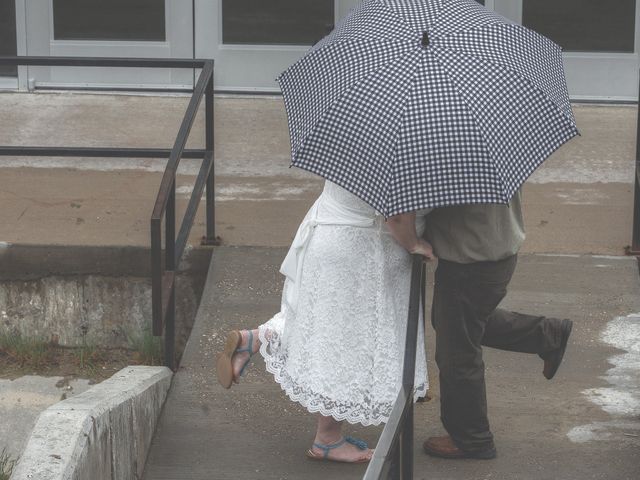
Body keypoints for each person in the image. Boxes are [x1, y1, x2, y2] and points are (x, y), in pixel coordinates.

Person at [216, 179, 434, 464]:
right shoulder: (409, 150)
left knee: (321, 328)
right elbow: (396, 216)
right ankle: (328, 440)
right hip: (361, 252)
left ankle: (257, 338)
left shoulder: (357, 135)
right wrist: (415, 243)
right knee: (345, 344)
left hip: (328, 233)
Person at [421, 191, 573, 460]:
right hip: (494, 249)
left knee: (457, 351)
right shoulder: (488, 153)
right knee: (455, 324)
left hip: (470, 259)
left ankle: (471, 438)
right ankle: (546, 335)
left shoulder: (449, 156)